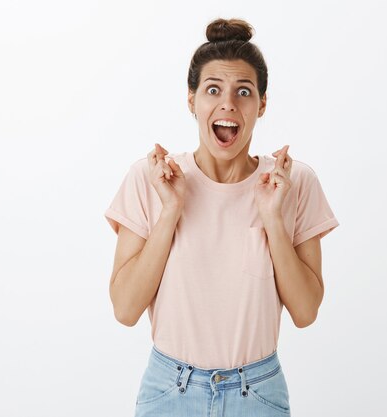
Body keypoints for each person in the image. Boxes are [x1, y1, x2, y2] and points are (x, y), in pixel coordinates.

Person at [104, 17, 339, 417]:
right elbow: (125, 309)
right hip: (169, 392)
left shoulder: (293, 183)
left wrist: (273, 219)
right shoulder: (152, 179)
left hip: (258, 393)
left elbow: (305, 312)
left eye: (243, 91)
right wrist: (171, 211)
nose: (228, 103)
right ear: (192, 99)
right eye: (213, 89)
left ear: (261, 104)